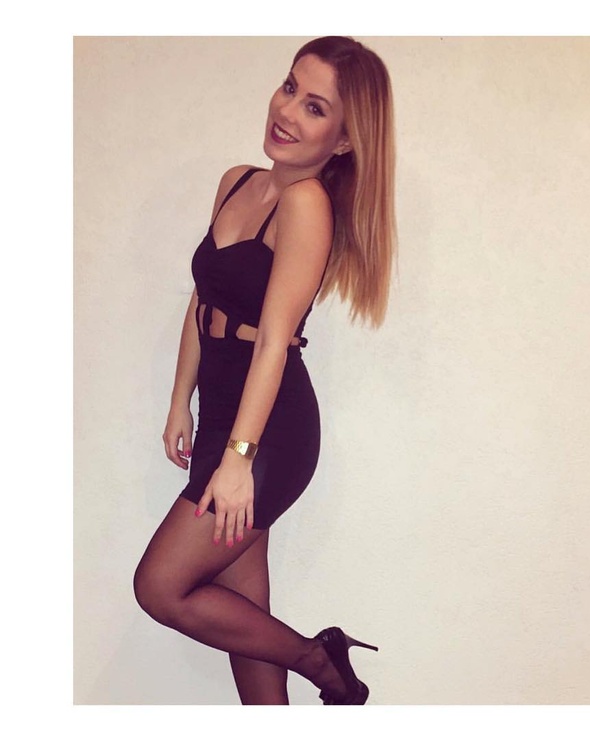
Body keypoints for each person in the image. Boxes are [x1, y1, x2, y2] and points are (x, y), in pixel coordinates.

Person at [133, 36, 395, 705]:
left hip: (269, 430)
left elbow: (275, 341)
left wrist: (239, 457)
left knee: (160, 587)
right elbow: (204, 302)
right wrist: (179, 402)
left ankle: (319, 659)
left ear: (344, 140)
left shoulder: (306, 204)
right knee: (243, 617)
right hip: (224, 412)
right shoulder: (237, 182)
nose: (287, 111)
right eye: (290, 87)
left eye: (315, 107)